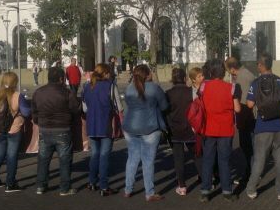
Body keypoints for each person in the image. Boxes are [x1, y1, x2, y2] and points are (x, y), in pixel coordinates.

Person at [245, 53, 280, 201]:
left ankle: (251, 189)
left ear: (260, 65)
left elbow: (250, 104)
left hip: (263, 126)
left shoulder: (256, 82)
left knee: (259, 160)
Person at [122, 64, 168, 201]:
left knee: (132, 159)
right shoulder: (154, 88)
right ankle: (149, 193)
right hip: (150, 127)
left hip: (130, 127)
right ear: (148, 74)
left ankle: (127, 189)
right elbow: (165, 106)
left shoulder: (129, 88)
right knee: (148, 161)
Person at [33, 67, 81, 195]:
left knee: (43, 159)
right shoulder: (67, 92)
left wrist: (39, 121)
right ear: (61, 78)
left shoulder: (38, 92)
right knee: (65, 160)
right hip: (63, 129)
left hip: (45, 130)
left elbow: (34, 112)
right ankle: (65, 188)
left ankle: (40, 186)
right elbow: (75, 109)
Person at [199, 59, 241, 202]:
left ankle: (205, 190)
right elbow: (237, 109)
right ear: (223, 73)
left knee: (208, 160)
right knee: (224, 160)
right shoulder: (231, 88)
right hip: (225, 129)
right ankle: (227, 191)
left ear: (210, 72)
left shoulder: (203, 87)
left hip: (208, 128)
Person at [82, 63, 118, 196]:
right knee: (104, 156)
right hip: (106, 124)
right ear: (105, 73)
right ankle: (104, 186)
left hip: (91, 124)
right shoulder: (111, 86)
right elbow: (118, 106)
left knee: (94, 155)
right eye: (109, 72)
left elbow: (85, 108)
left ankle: (91, 182)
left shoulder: (87, 86)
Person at [165, 67, 202, 196]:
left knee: (178, 159)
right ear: (185, 78)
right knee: (196, 155)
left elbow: (166, 112)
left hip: (175, 130)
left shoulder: (168, 93)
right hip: (190, 128)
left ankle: (182, 186)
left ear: (172, 79)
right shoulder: (191, 91)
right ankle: (204, 179)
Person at [0, 72, 24, 192]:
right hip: (14, 129)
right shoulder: (17, 96)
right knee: (12, 156)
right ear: (15, 83)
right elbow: (27, 112)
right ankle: (10, 183)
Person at [226, 56, 256, 185]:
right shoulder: (247, 73)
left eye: (228, 70)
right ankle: (252, 171)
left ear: (233, 69)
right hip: (250, 114)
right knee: (249, 144)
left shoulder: (241, 78)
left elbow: (243, 101)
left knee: (246, 145)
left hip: (245, 115)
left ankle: (250, 173)